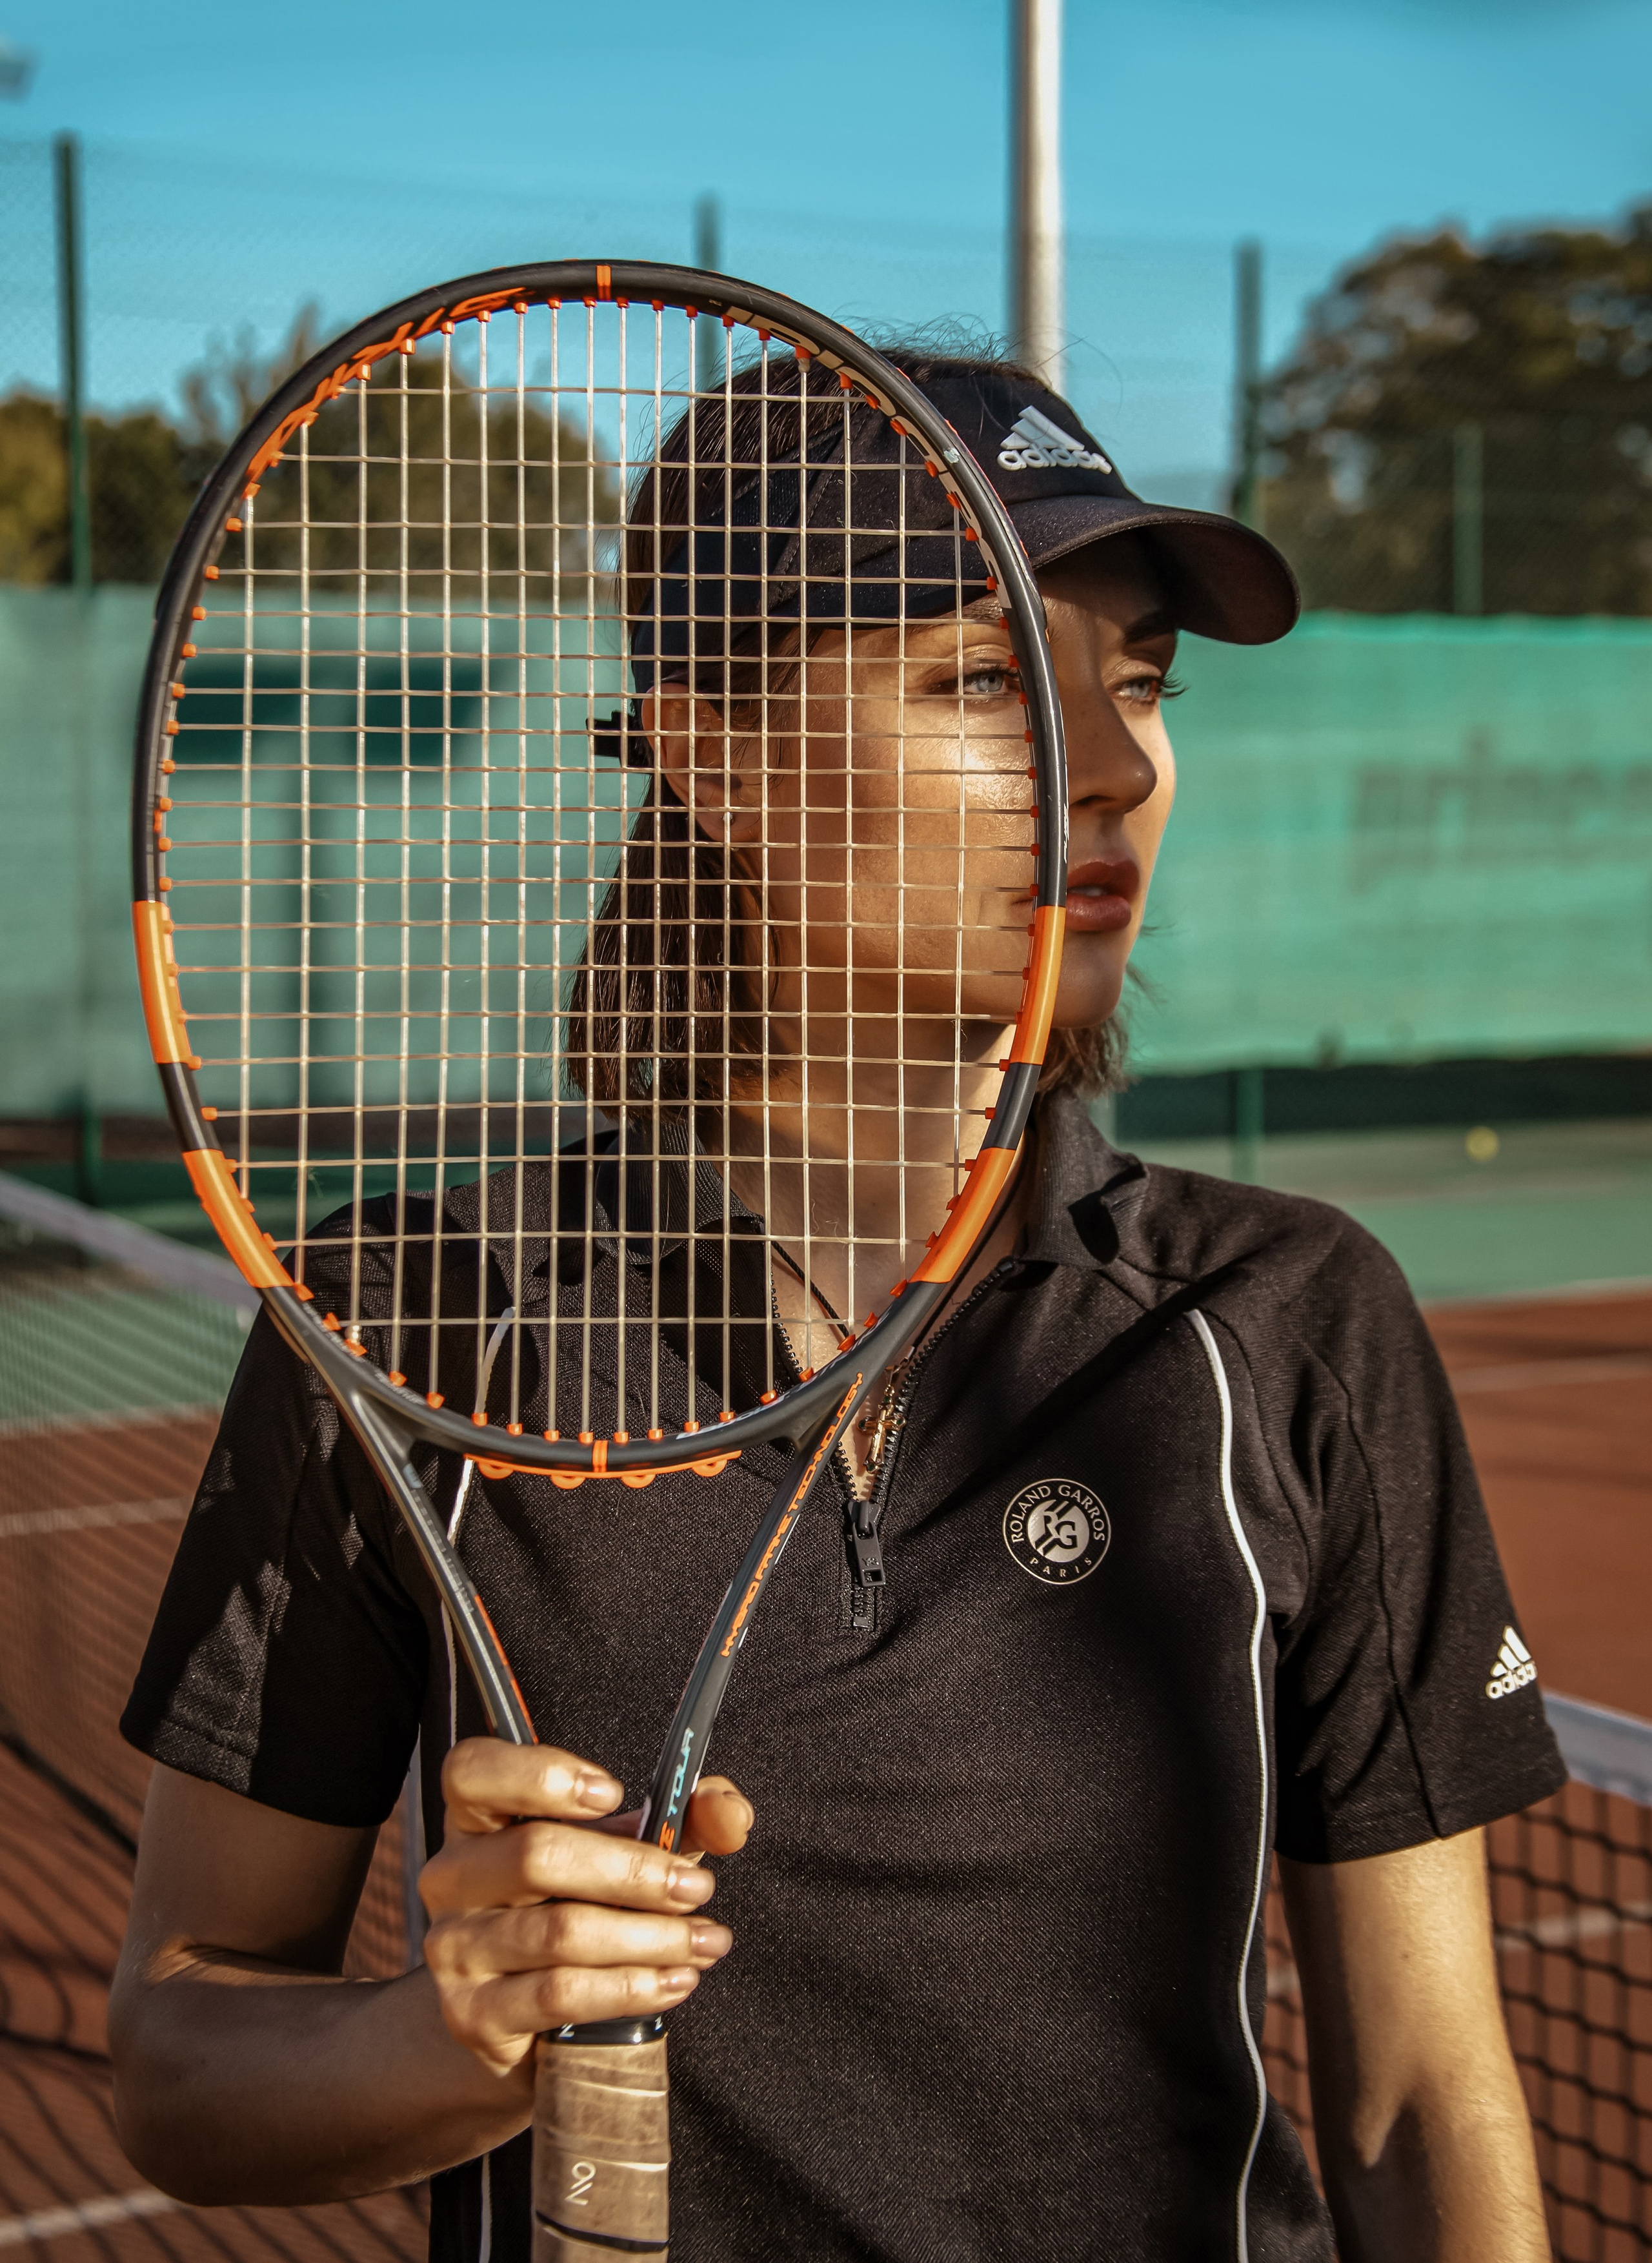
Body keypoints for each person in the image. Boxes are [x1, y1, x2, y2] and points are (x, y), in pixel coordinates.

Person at [110, 349, 1564, 2263]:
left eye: (1137, 685)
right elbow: (185, 2062)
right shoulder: (406, 1321)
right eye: (987, 681)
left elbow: (1420, 2098)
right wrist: (453, 2037)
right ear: (710, 755)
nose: (1118, 765)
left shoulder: (1286, 1321)